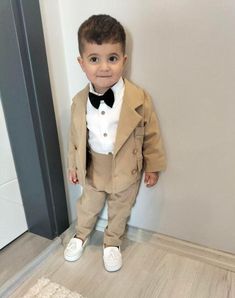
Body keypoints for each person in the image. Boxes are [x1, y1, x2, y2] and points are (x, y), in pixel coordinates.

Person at [64, 14, 166, 272]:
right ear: (82, 63)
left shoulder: (139, 98)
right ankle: (80, 235)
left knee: (120, 208)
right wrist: (73, 165)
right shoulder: (78, 101)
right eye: (94, 59)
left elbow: (151, 134)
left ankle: (112, 242)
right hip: (93, 165)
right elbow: (74, 137)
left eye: (112, 58)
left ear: (124, 60)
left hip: (125, 165)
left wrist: (153, 166)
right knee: (88, 204)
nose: (104, 67)